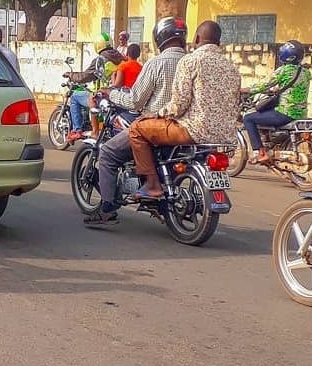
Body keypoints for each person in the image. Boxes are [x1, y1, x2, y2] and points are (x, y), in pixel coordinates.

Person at [83, 21, 187, 226]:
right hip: (184, 127)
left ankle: (107, 208)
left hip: (155, 125)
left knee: (108, 153)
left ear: (159, 38)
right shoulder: (190, 62)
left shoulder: (156, 63)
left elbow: (135, 100)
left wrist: (112, 94)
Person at [127, 20, 241, 198]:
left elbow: (179, 104)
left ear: (196, 38)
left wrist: (156, 114)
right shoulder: (232, 67)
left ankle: (152, 185)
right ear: (218, 42)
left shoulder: (191, 61)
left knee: (136, 129)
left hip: (194, 131)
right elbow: (235, 104)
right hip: (224, 136)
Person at [242, 40, 311, 163]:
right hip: (301, 114)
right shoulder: (306, 72)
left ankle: (260, 152)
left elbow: (265, 85)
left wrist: (247, 90)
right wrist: (278, 89)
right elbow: (294, 88)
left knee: (248, 118)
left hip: (284, 113)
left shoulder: (284, 70)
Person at [64, 36, 124, 143]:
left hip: (103, 94)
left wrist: (71, 75)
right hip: (120, 94)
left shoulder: (100, 59)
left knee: (74, 97)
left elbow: (85, 76)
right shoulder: (120, 57)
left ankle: (77, 130)